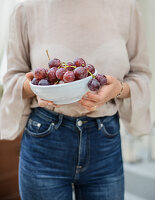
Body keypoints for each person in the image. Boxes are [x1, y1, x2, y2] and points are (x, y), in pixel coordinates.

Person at [0, 0, 151, 199]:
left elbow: (141, 75)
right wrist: (36, 88)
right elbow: (12, 78)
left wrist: (118, 89)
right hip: (45, 141)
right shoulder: (27, 8)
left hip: (105, 143)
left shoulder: (127, 7)